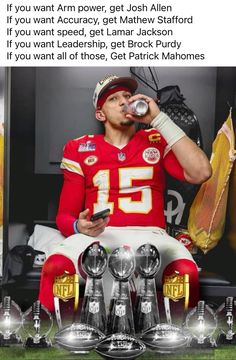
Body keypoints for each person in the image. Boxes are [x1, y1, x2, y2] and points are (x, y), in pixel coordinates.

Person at [39, 75, 212, 311]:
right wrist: (79, 227)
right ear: (100, 114)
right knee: (55, 266)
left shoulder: (155, 140)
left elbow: (201, 171)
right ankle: (55, 340)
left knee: (185, 272)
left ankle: (174, 343)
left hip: (152, 236)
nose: (123, 102)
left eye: (128, 96)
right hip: (100, 237)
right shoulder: (79, 148)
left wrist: (159, 118)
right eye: (113, 98)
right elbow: (64, 216)